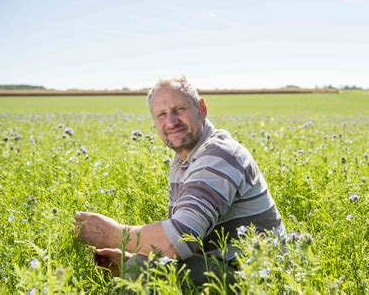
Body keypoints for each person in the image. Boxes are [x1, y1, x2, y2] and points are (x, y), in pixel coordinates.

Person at [75, 76, 285, 284]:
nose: (171, 122)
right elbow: (184, 240)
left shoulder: (219, 155)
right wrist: (131, 258)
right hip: (228, 266)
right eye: (162, 114)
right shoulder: (184, 160)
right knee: (138, 266)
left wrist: (111, 235)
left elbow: (176, 242)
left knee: (143, 272)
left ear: (201, 109)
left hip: (259, 275)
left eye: (179, 110)